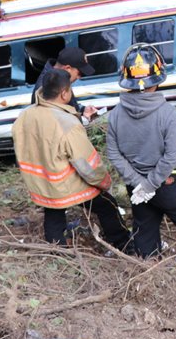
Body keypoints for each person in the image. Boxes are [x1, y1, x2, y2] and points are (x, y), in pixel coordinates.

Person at [105, 43, 176, 284]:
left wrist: (139, 184)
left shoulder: (115, 115)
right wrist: (151, 183)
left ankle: (149, 278)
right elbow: (171, 156)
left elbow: (114, 153)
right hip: (165, 184)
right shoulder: (168, 113)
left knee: (144, 230)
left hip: (137, 190)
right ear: (158, 77)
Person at [13, 67, 131, 250]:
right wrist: (104, 182)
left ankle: (57, 251)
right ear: (64, 93)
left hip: (40, 181)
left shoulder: (25, 115)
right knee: (107, 205)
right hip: (64, 183)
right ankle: (123, 243)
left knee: (53, 212)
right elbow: (86, 164)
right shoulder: (67, 123)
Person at [31, 46, 98, 122]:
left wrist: (82, 110)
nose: (79, 77)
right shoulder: (46, 86)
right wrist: (82, 121)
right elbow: (53, 124)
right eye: (79, 73)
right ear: (67, 68)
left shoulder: (62, 78)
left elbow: (67, 105)